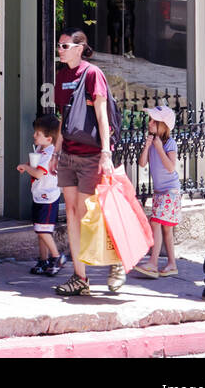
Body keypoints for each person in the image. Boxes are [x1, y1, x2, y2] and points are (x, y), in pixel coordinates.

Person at [53, 30, 123, 295]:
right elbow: (64, 119)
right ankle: (80, 277)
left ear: (79, 48)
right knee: (70, 213)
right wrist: (56, 153)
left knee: (86, 215)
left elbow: (102, 115)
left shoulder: (92, 74)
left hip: (91, 155)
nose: (60, 49)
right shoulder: (62, 77)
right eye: (59, 46)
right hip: (69, 155)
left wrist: (106, 152)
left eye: (64, 45)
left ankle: (115, 261)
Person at [16, 114, 66, 276]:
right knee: (41, 230)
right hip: (39, 194)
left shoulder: (50, 153)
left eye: (37, 134)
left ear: (49, 139)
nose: (34, 136)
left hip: (48, 197)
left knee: (42, 229)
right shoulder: (40, 149)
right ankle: (43, 260)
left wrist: (25, 166)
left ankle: (57, 257)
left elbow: (38, 173)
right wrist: (30, 165)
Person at [134, 105, 180, 277]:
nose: (150, 123)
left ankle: (153, 263)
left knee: (156, 222)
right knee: (165, 229)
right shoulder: (153, 142)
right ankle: (172, 265)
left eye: (154, 121)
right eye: (150, 119)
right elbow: (142, 163)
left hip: (170, 191)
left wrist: (159, 148)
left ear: (163, 125)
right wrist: (147, 147)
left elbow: (170, 167)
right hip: (160, 191)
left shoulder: (169, 143)